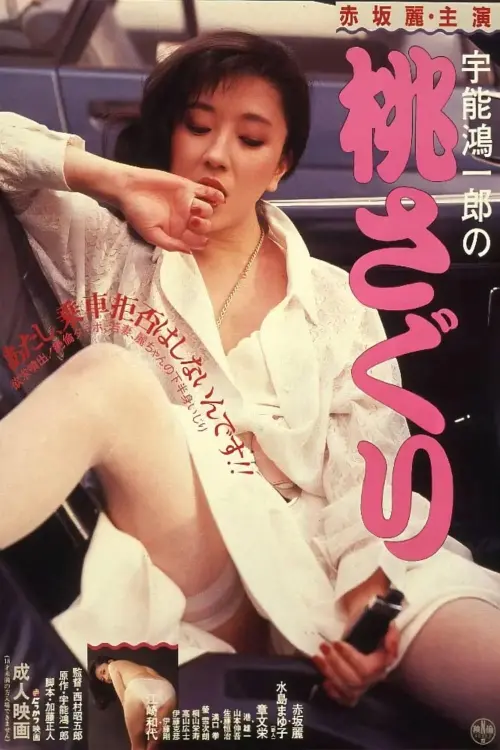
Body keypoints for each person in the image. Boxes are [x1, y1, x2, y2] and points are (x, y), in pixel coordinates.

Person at [0, 29, 499, 730]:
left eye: (251, 139)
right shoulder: (107, 249)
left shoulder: (337, 300)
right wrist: (118, 182)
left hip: (340, 561)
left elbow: (369, 474)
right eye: (198, 127)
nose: (216, 154)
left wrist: (367, 600)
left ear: (281, 166)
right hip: (203, 564)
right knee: (111, 378)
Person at [89, 655, 176, 750]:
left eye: (103, 671)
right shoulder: (144, 668)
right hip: (168, 691)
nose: (106, 678)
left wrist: (131, 715)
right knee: (152, 743)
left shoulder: (113, 666)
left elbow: (124, 700)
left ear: (110, 661)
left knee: (138, 747)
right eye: (103, 679)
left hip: (138, 687)